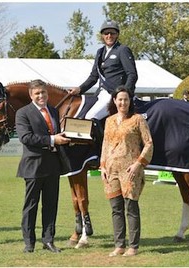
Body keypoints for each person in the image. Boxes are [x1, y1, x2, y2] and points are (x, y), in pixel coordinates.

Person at [15, 79, 71, 254]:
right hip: (33, 166)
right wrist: (54, 139)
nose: (41, 96)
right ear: (31, 95)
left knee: (51, 205)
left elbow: (56, 134)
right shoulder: (23, 113)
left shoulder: (54, 111)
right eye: (37, 93)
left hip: (53, 165)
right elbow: (26, 138)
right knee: (31, 206)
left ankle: (48, 240)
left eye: (43, 92)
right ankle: (29, 242)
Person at [100, 86, 153, 257]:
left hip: (130, 170)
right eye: (120, 99)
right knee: (116, 208)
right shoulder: (109, 121)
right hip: (111, 170)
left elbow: (149, 143)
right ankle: (119, 245)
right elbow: (105, 145)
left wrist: (138, 164)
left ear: (130, 101)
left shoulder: (138, 120)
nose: (123, 102)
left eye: (126, 99)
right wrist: (102, 166)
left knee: (131, 207)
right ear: (114, 101)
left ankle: (133, 246)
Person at [69, 20, 138, 120]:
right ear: (102, 35)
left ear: (117, 34)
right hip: (100, 93)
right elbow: (94, 76)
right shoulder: (100, 52)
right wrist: (80, 89)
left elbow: (132, 74)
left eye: (112, 33)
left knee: (90, 117)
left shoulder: (122, 50)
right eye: (106, 33)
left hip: (114, 94)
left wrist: (124, 94)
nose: (109, 36)